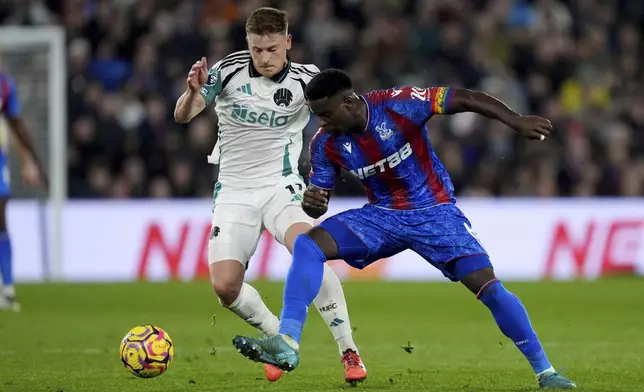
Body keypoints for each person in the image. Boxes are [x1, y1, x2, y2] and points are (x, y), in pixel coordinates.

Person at [232, 69, 577, 390]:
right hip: (382, 216)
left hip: (434, 212)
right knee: (309, 245)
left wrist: (515, 121)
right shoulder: (325, 144)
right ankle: (288, 341)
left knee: (489, 288)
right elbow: (317, 199)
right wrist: (314, 203)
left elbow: (466, 98)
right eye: (317, 116)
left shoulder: (398, 104)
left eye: (325, 114)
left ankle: (546, 372)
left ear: (349, 102)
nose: (321, 123)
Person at [173, 9, 366, 383]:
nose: (263, 58)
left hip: (282, 187)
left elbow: (344, 119)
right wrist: (191, 93)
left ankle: (349, 350)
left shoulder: (306, 81)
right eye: (257, 49)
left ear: (288, 43)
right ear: (247, 43)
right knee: (225, 287)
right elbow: (184, 115)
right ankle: (279, 338)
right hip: (233, 192)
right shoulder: (227, 71)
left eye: (272, 49)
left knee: (309, 249)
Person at [0, 72, 47, 312]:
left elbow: (13, 123)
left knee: (1, 219)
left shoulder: (5, 84)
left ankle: (7, 289)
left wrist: (28, 160)